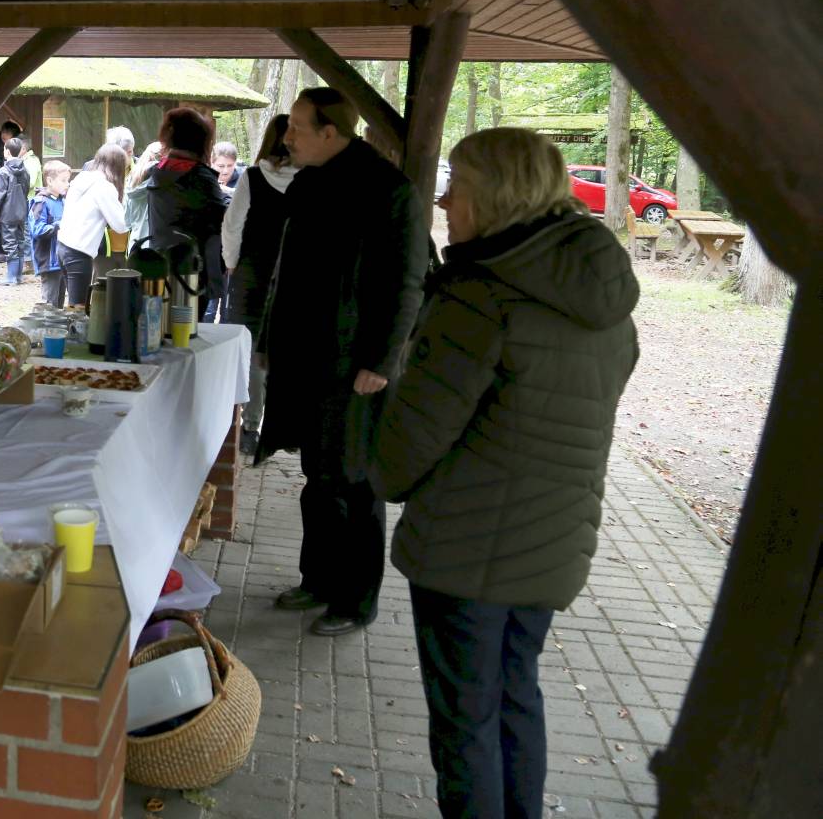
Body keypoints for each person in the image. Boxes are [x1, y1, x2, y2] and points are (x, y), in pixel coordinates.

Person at [370, 128, 639, 819]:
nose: (444, 202)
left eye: (456, 186)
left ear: (494, 195)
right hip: (554, 544)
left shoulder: (481, 295)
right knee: (515, 698)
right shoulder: (598, 295)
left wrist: (378, 470)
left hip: (465, 553)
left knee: (466, 723)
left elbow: (410, 443)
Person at [261, 86, 427, 637]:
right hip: (307, 358)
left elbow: (407, 283)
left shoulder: (389, 189)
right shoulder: (310, 180)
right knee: (319, 476)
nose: (287, 136)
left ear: (330, 132)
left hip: (356, 364)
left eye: (297, 127)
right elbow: (290, 273)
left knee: (354, 482)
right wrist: (270, 339)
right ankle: (318, 580)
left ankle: (356, 600)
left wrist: (382, 360)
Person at [220, 113, 296, 459]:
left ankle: (250, 429)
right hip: (295, 274)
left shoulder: (252, 177)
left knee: (250, 352)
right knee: (288, 348)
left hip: (252, 273)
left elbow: (232, 226)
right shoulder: (313, 178)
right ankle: (284, 426)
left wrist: (232, 263)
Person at [140, 107, 228, 320]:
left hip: (159, 265)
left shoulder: (159, 171)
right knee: (187, 330)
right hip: (192, 272)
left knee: (161, 328)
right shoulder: (200, 178)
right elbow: (223, 222)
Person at [56, 143, 129, 306]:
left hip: (62, 247)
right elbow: (120, 225)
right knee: (78, 308)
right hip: (79, 253)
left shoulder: (82, 178)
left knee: (73, 305)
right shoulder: (104, 187)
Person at [28, 160, 71, 307]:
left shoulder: (63, 201)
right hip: (49, 261)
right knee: (49, 304)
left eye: (68, 180)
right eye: (63, 180)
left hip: (62, 260)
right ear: (50, 181)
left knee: (59, 303)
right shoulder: (40, 202)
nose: (67, 184)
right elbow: (37, 230)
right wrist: (59, 226)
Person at [0, 137, 32, 285]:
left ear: (7, 151)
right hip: (22, 212)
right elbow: (26, 190)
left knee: (10, 243)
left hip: (7, 214)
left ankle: (11, 277)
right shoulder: (25, 170)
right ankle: (18, 276)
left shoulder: (3, 171)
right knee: (20, 242)